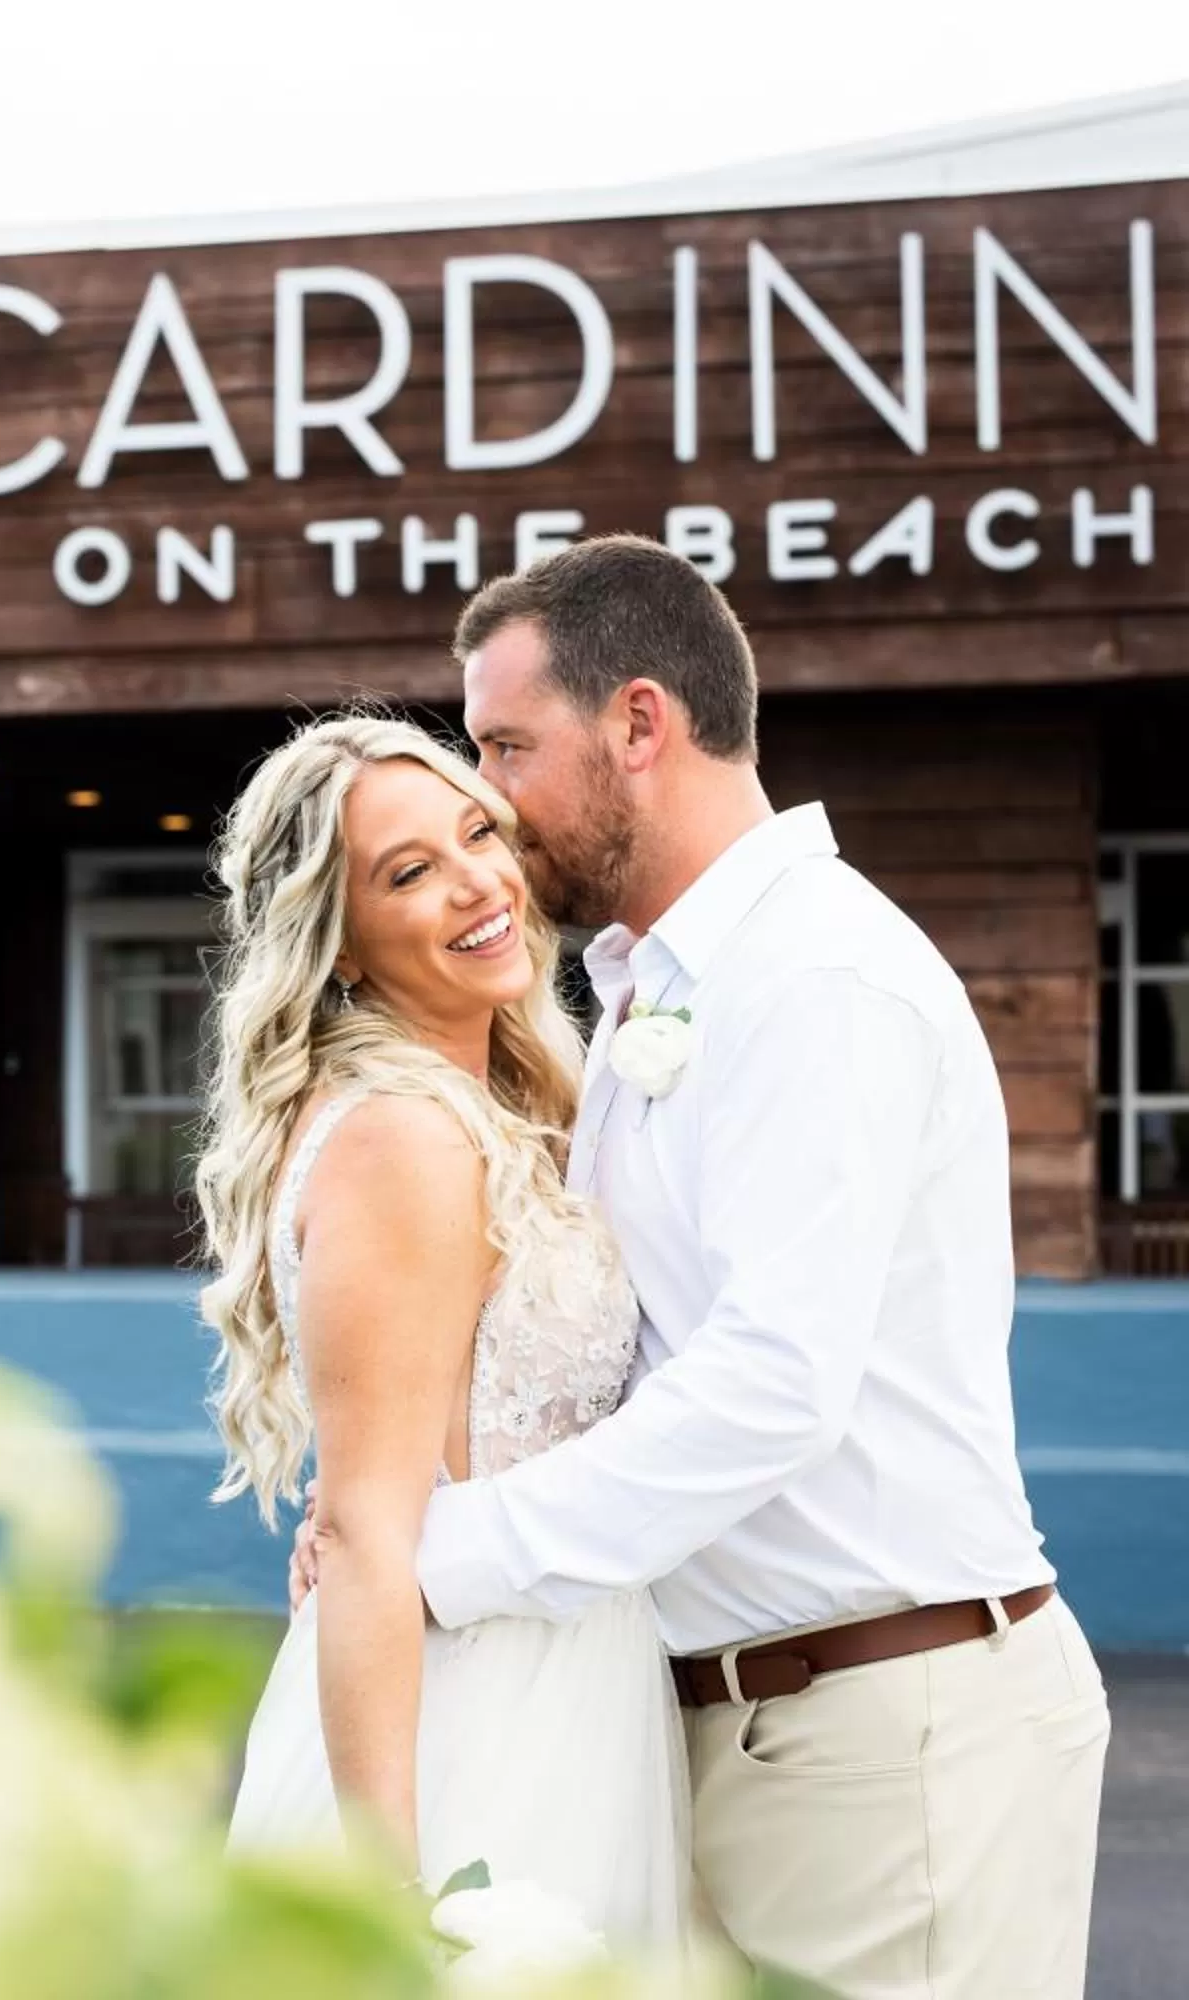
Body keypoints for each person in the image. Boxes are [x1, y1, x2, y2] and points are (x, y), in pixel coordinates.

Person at [290, 535, 1112, 1998]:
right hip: (700, 1735)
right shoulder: (640, 994)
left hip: (885, 1734)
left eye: (505, 748)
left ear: (641, 726)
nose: (489, 796)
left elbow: (771, 1383)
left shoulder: (816, 977)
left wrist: (449, 1553)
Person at [206, 711, 694, 1950]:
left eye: (478, 831)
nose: (477, 880)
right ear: (343, 951)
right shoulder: (406, 1140)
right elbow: (372, 1532)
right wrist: (389, 1899)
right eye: (407, 871)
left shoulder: (502, 1107)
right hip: (480, 1713)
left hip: (575, 1673)